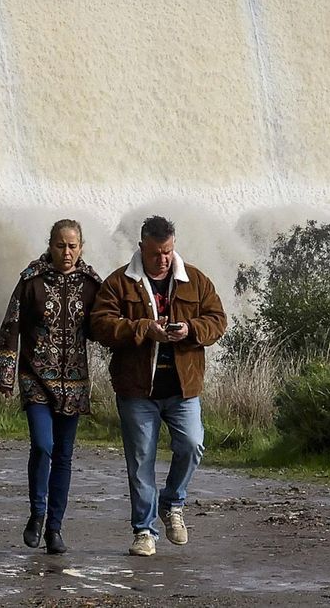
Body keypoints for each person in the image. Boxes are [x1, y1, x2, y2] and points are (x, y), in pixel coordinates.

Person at [88, 215, 227, 557]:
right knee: (141, 461)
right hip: (137, 389)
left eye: (168, 252)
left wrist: (191, 329)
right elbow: (100, 325)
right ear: (141, 247)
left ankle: (172, 503)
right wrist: (142, 329)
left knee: (193, 445)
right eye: (155, 253)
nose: (163, 259)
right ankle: (144, 531)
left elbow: (218, 321)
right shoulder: (119, 283)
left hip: (183, 387)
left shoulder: (195, 280)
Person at [0, 219, 102, 555]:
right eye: (60, 245)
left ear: (81, 248)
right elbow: (11, 326)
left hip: (74, 383)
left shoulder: (91, 285)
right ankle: (37, 515)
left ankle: (55, 529)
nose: (66, 252)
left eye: (72, 246)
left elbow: (104, 327)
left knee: (64, 456)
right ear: (50, 245)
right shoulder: (31, 281)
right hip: (35, 378)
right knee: (42, 445)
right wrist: (5, 375)